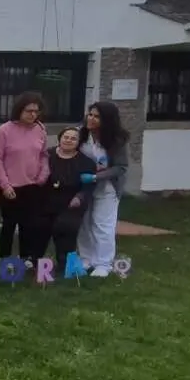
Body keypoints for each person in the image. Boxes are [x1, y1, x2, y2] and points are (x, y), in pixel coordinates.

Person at [0, 91, 50, 265]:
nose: (33, 115)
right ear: (19, 110)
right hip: (10, 186)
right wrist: (4, 185)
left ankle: (26, 257)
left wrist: (43, 175)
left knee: (29, 224)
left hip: (33, 185)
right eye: (29, 111)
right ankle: (4, 257)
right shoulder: (4, 130)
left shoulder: (40, 130)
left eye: (36, 111)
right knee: (9, 224)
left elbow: (44, 155)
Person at [77, 101, 130, 277]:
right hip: (84, 187)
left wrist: (96, 177)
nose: (91, 119)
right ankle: (85, 258)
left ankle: (103, 263)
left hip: (107, 187)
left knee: (102, 225)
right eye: (90, 114)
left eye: (97, 116)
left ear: (107, 120)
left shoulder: (117, 140)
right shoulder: (81, 134)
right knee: (84, 223)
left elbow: (121, 167)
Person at [43, 127, 97, 267]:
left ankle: (65, 263)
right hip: (46, 200)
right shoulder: (47, 156)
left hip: (71, 202)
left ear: (78, 143)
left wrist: (79, 197)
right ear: (60, 138)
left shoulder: (86, 162)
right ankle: (35, 260)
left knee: (65, 227)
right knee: (39, 226)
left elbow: (89, 186)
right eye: (66, 137)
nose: (68, 140)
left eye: (73, 138)